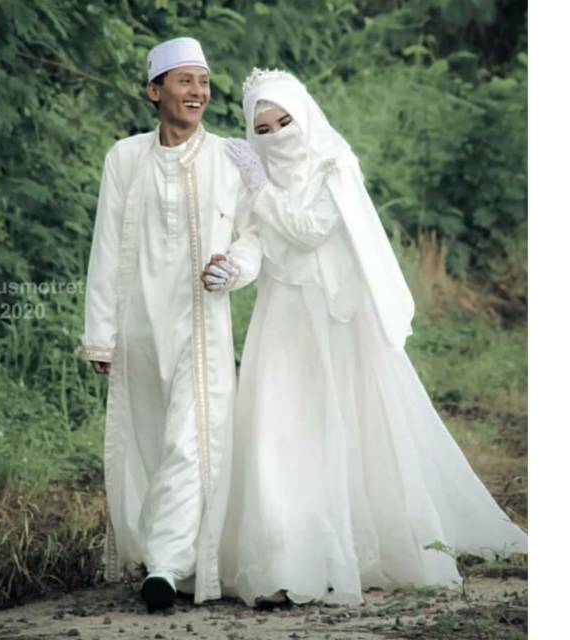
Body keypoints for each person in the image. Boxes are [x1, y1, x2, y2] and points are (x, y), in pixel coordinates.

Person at [219, 68, 527, 608]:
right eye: (262, 130)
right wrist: (230, 268)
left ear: (304, 115)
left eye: (285, 122)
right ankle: (284, 560)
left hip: (337, 319)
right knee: (279, 428)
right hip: (282, 319)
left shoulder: (334, 166)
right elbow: (252, 239)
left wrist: (260, 186)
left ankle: (360, 548)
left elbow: (308, 229)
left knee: (345, 424)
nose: (275, 137)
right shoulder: (256, 182)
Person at [81, 38, 261, 611]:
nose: (198, 92)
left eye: (204, 82)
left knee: (191, 441)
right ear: (155, 90)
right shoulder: (124, 157)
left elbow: (256, 235)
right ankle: (169, 556)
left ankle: (164, 565)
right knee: (153, 445)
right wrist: (100, 333)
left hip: (200, 325)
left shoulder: (232, 157)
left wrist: (233, 269)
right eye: (186, 81)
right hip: (138, 328)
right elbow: (105, 248)